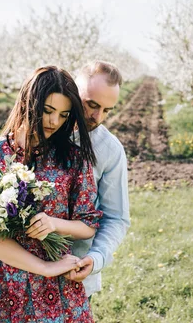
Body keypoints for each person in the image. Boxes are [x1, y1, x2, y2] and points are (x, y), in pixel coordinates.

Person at [0, 66, 102, 323]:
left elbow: (88, 225)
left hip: (52, 288)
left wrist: (52, 223)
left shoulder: (73, 159)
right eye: (48, 111)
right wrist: (45, 268)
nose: (54, 122)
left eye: (63, 115)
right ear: (28, 104)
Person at [65, 60, 130, 298]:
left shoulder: (110, 150)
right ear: (73, 91)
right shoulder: (41, 133)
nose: (97, 116)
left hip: (75, 274)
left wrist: (96, 258)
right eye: (91, 104)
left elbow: (116, 217)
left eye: (107, 110)